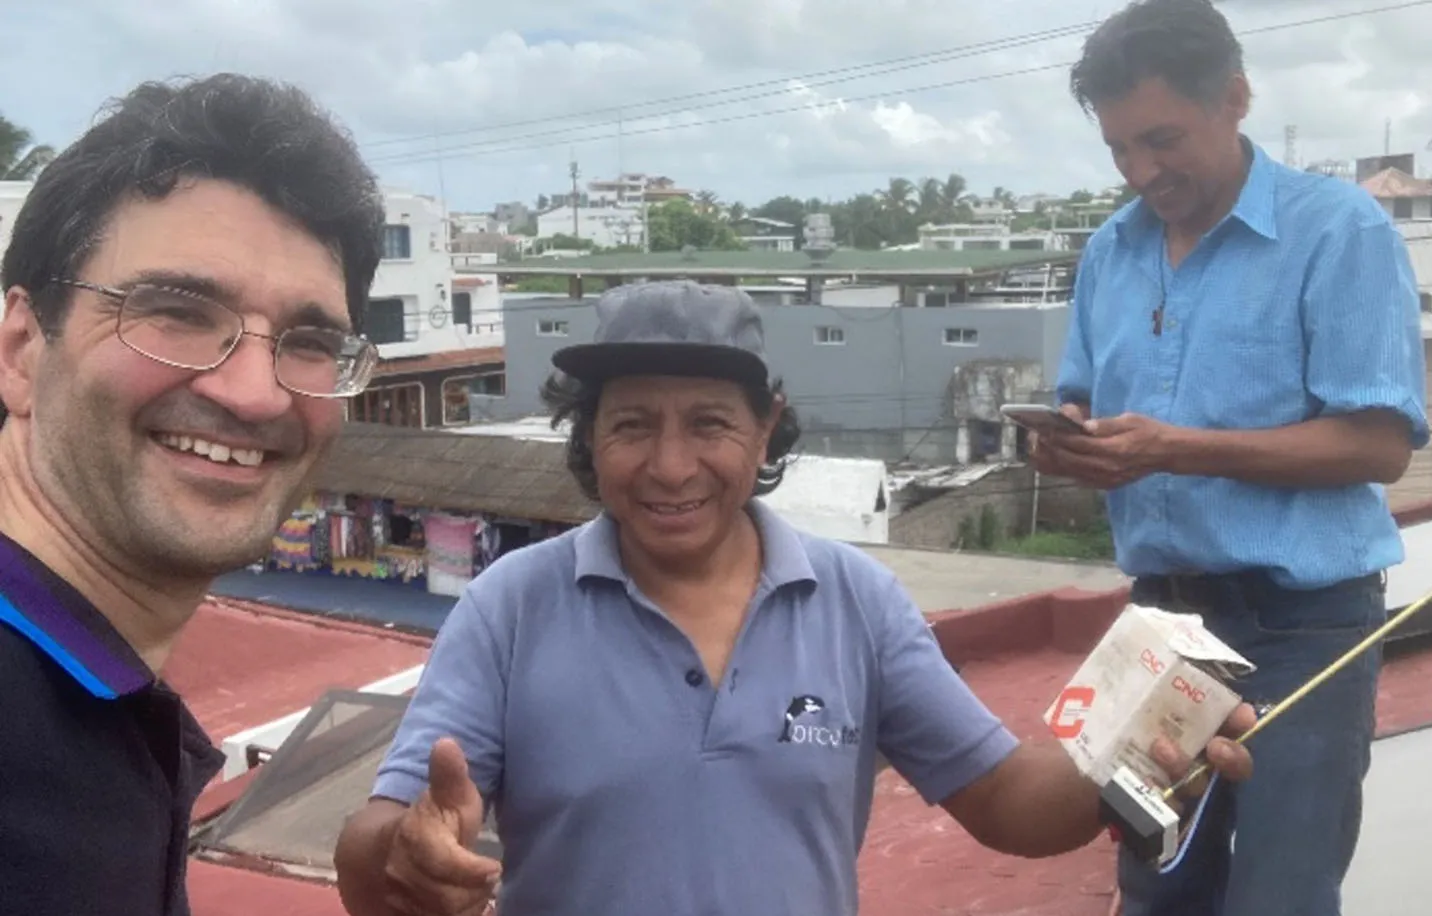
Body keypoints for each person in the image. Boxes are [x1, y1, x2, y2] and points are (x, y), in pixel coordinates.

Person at [333, 279, 1255, 916]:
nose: (670, 465)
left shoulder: (857, 600)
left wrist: (1143, 749)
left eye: (709, 425)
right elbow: (383, 835)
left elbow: (1008, 799)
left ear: (767, 424)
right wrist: (402, 857)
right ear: (586, 433)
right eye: (630, 425)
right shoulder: (511, 605)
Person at [1032, 1, 1428, 914]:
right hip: (1158, 628)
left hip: (1300, 625)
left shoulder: (1339, 232)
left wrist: (1177, 449)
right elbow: (1081, 396)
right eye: (1120, 149)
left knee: (1279, 894)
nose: (1143, 172)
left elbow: (1377, 445)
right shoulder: (1111, 250)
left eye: (1163, 139)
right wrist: (1067, 439)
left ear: (1237, 98)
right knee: (1158, 886)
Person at [0, 74, 384, 915]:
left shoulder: (91, 722)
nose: (254, 394)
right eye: (174, 310)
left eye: (311, 340)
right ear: (24, 347)